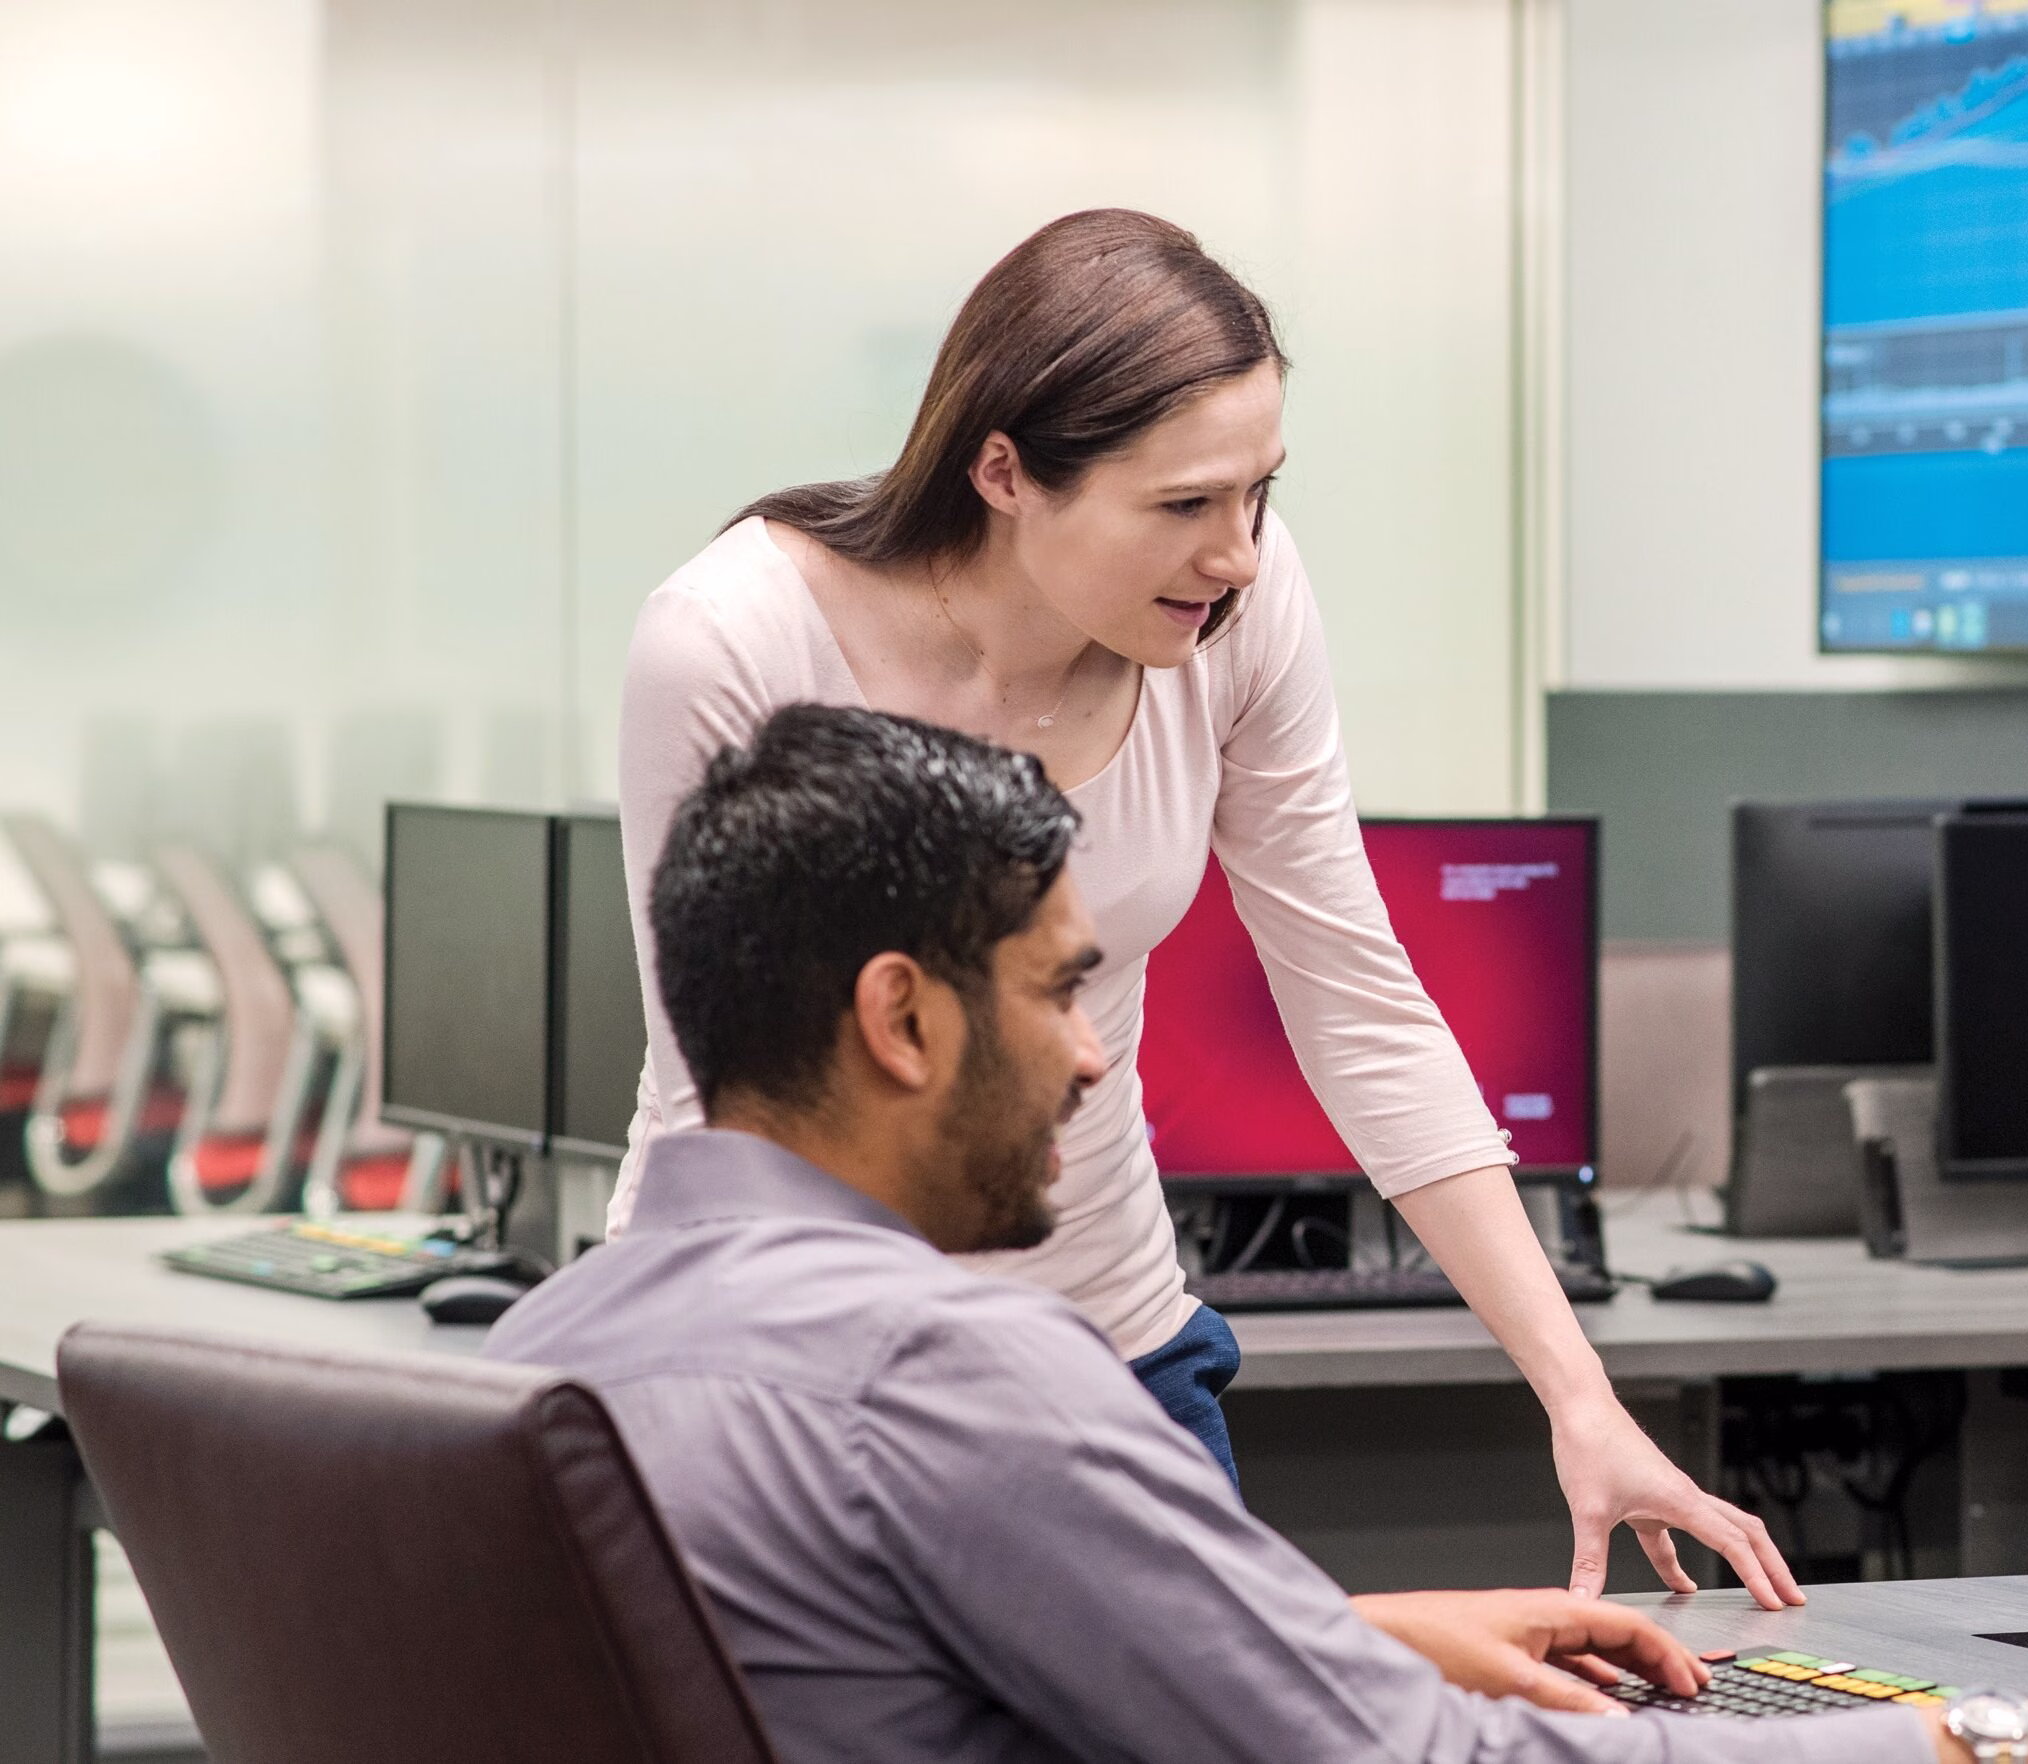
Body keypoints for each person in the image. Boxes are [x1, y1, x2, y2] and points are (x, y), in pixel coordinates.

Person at [491, 705, 2028, 1764]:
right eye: (1068, 991)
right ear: (901, 1021)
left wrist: (1336, 1631)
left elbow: (857, 1680)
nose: (1093, 1056)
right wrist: (1998, 1747)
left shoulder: (552, 1353)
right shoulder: (953, 1375)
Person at [609, 206, 1791, 1603]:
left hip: (1105, 1350)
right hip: (790, 1374)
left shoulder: (1227, 611)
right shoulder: (731, 640)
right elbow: (729, 1105)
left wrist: (1579, 1399)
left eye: (1259, 493)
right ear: (1003, 472)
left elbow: (1357, 1000)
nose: (1235, 552)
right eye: (1182, 505)